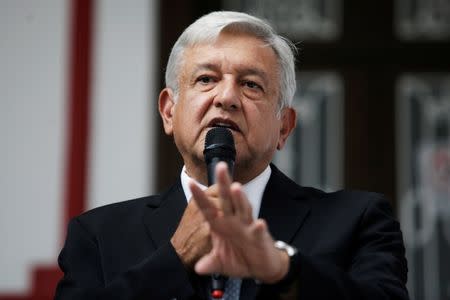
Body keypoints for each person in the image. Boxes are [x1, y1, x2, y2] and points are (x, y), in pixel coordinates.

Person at [54, 11, 409, 300]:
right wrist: (173, 259)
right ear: (168, 112)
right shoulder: (99, 236)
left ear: (284, 126)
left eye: (251, 84)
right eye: (206, 79)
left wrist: (283, 269)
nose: (226, 97)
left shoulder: (357, 221)